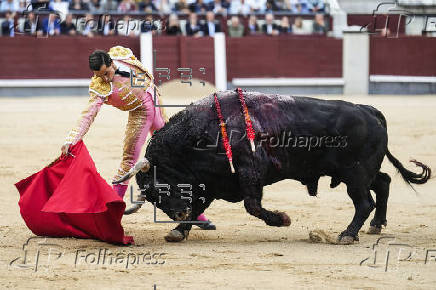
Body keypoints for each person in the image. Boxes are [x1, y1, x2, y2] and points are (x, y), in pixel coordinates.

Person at [61, 46, 216, 230]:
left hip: (156, 106)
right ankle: (109, 216)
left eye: (106, 73)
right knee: (128, 162)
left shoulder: (121, 54)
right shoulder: (99, 86)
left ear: (111, 63)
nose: (104, 78)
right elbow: (88, 115)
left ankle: (196, 213)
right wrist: (72, 138)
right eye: (99, 75)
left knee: (176, 160)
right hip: (140, 115)